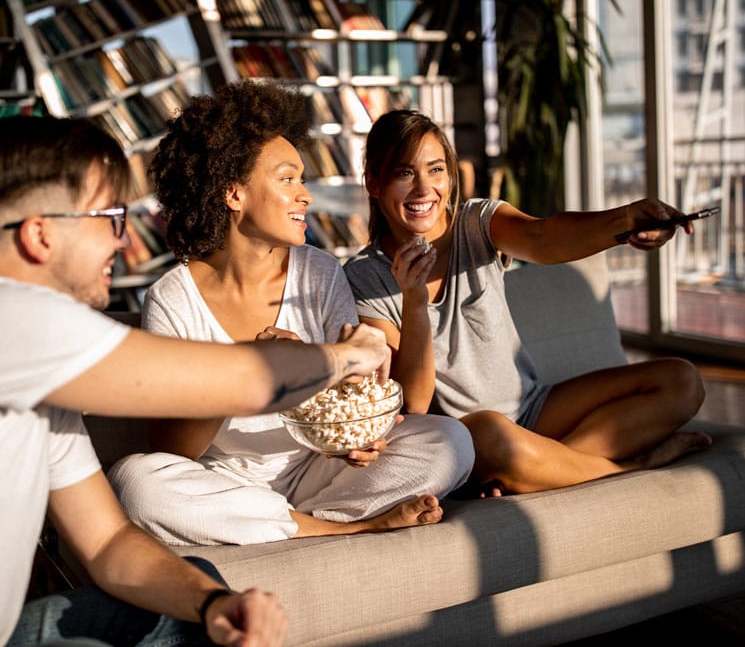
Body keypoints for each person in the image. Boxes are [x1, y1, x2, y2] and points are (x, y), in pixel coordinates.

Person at [0, 114, 393, 647]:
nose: (122, 242)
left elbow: (110, 542)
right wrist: (350, 353)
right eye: (108, 218)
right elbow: (249, 382)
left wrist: (213, 604)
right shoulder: (16, 322)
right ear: (39, 234)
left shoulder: (49, 387)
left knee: (196, 598)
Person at [108, 81, 474, 546]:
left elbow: (349, 403)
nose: (306, 196)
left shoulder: (320, 273)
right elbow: (173, 449)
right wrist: (247, 369)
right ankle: (345, 528)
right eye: (287, 179)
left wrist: (358, 438)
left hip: (318, 472)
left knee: (450, 442)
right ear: (233, 192)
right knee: (136, 484)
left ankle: (280, 526)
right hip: (225, 483)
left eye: (302, 180)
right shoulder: (172, 298)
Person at [343, 108, 712, 498]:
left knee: (682, 381)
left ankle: (541, 469)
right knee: (490, 431)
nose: (424, 189)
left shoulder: (477, 222)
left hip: (535, 407)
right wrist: (413, 301)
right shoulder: (364, 277)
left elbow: (543, 237)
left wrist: (624, 222)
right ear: (373, 182)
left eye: (436, 170)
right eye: (404, 173)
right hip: (470, 438)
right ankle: (630, 466)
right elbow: (414, 402)